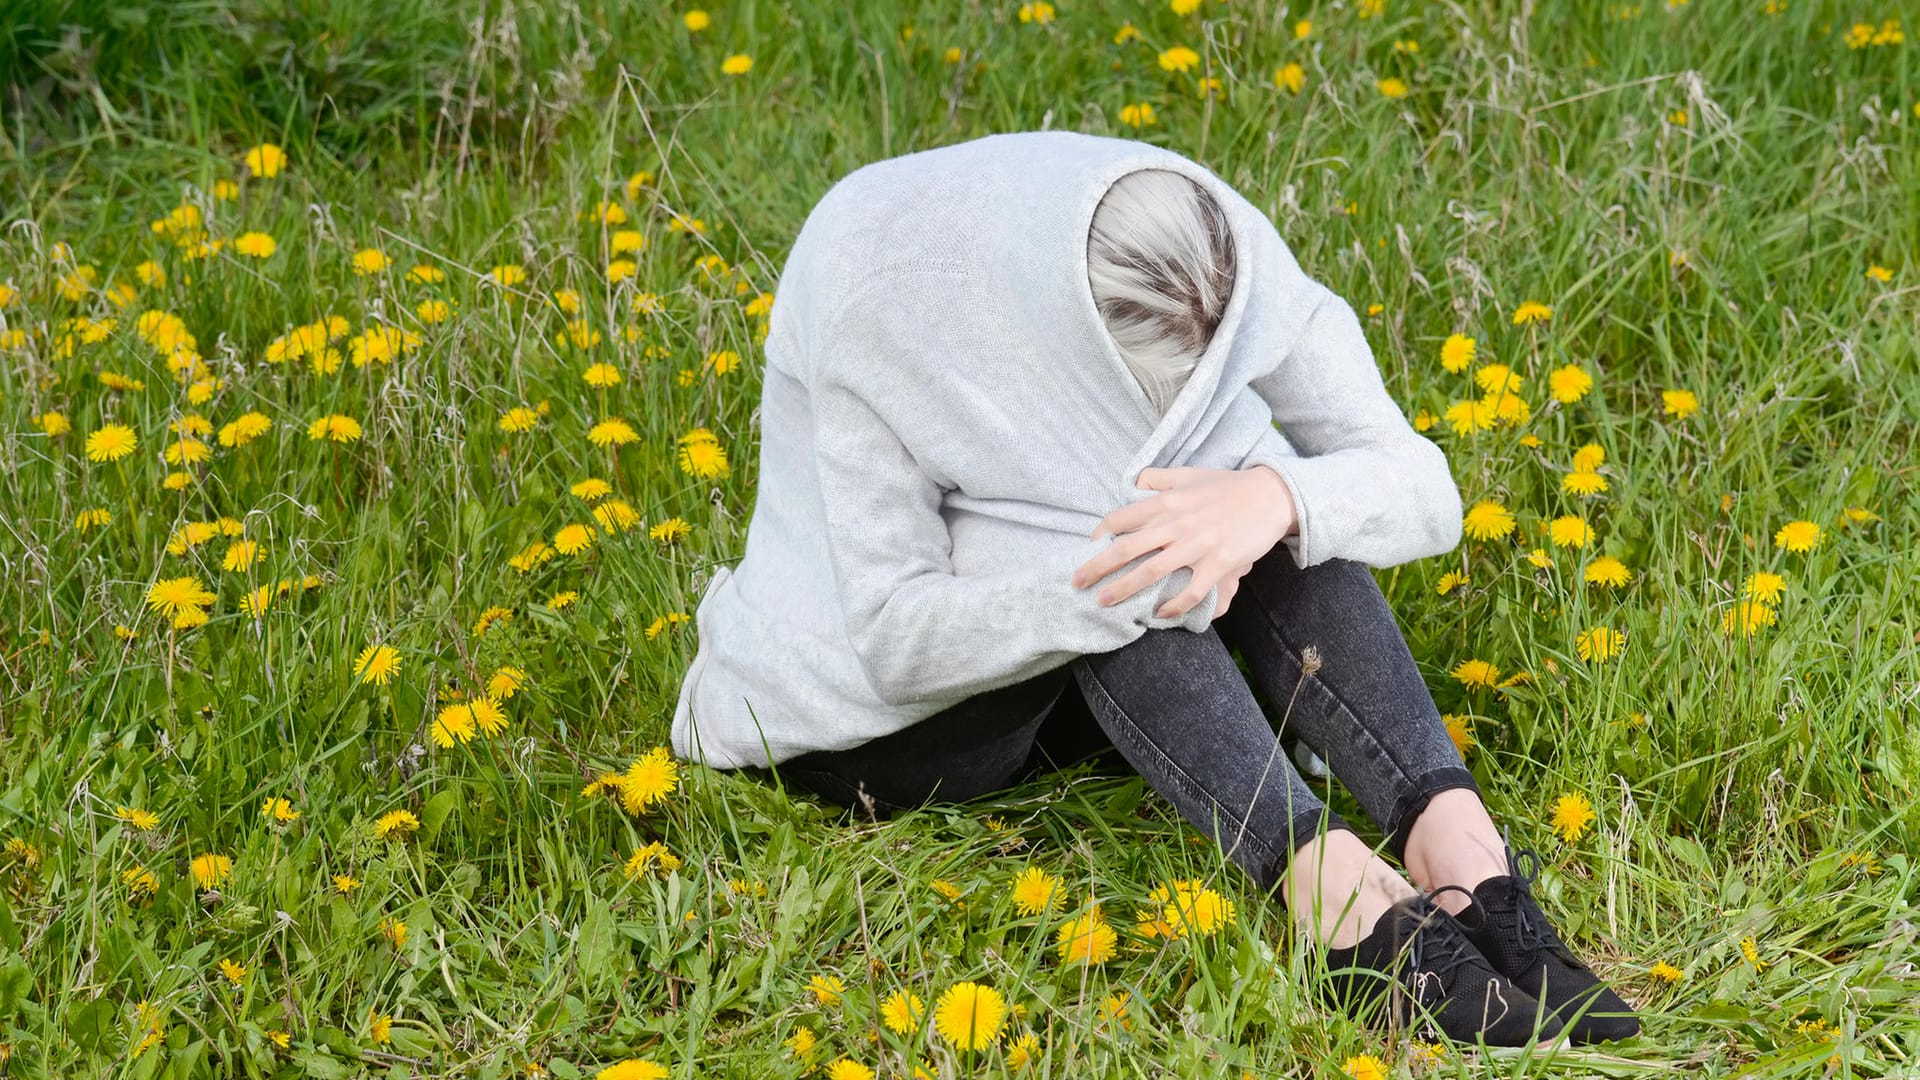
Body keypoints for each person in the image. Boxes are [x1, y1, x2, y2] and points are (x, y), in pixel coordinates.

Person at [668, 131, 1640, 1047]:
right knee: (1137, 549)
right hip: (894, 722)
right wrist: (1114, 586)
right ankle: (1338, 905)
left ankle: (1464, 858)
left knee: (1263, 509)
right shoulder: (875, 290)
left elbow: (1420, 484)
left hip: (1083, 635)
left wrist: (1270, 496)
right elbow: (893, 635)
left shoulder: (1204, 239)